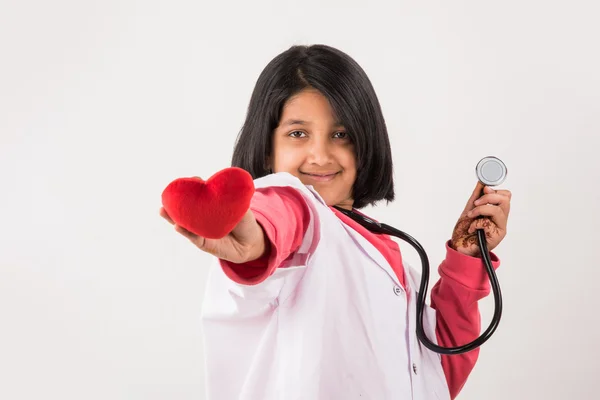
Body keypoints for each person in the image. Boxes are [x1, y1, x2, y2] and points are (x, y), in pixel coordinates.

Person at [160, 44, 512, 400]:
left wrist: (466, 259)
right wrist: (255, 241)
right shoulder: (295, 214)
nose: (321, 155)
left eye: (340, 134)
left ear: (365, 141)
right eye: (298, 133)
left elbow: (438, 372)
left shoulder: (396, 262)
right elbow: (284, 213)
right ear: (268, 148)